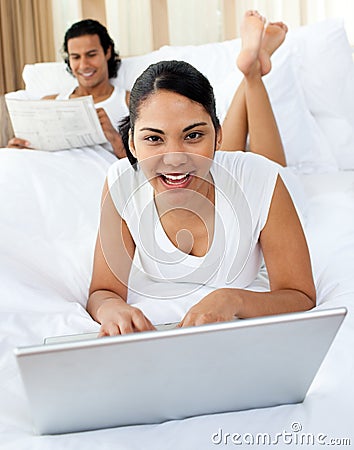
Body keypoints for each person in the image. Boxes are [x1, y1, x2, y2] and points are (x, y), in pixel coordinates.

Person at [87, 11, 316, 336]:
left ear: (217, 136)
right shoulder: (120, 184)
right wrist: (113, 308)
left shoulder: (262, 180)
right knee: (205, 162)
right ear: (132, 146)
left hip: (264, 183)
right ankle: (250, 68)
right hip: (215, 167)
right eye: (154, 138)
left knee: (266, 163)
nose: (174, 158)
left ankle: (253, 74)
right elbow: (102, 292)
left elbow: (301, 294)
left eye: (193, 135)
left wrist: (232, 299)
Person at [7, 19, 127, 158]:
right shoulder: (49, 104)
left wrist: (113, 136)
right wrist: (16, 150)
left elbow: (144, 163)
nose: (83, 65)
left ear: (107, 52)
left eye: (91, 55)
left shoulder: (130, 102)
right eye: (76, 57)